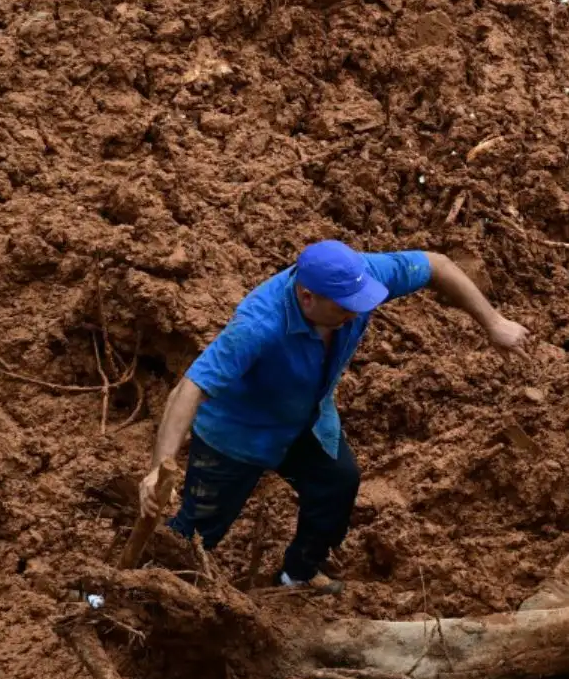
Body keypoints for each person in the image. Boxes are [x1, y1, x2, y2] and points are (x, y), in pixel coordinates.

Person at [139, 241, 527, 593]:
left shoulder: (361, 281)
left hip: (306, 419)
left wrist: (493, 323)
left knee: (338, 483)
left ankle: (300, 571)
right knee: (199, 531)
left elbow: (437, 264)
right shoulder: (258, 327)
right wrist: (160, 467)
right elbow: (189, 389)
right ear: (307, 298)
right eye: (344, 306)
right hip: (237, 435)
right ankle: (152, 587)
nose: (357, 311)